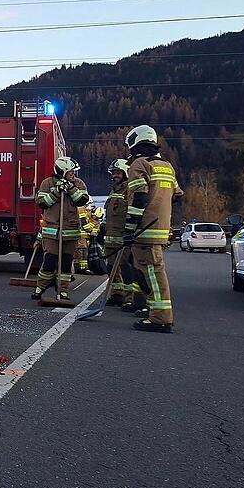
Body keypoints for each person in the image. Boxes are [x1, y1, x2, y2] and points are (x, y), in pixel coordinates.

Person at [123, 125, 183, 333]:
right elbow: (177, 196)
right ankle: (154, 311)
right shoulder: (166, 166)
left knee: (152, 273)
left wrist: (130, 228)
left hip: (145, 230)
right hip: (160, 228)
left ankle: (160, 317)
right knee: (149, 271)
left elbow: (138, 198)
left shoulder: (139, 164)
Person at [32, 156, 90, 304]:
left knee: (65, 262)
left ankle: (63, 290)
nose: (73, 174)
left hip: (70, 231)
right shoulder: (47, 183)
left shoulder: (78, 183)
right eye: (71, 172)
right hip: (51, 231)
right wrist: (57, 191)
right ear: (62, 170)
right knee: (49, 261)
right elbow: (42, 203)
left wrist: (70, 188)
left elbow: (82, 200)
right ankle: (40, 287)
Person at [103, 159, 142, 308]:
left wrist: (130, 231)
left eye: (118, 173)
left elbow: (134, 212)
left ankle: (130, 298)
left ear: (126, 173)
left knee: (126, 268)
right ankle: (116, 294)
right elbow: (110, 213)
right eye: (113, 173)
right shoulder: (114, 190)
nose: (115, 176)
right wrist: (103, 228)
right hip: (111, 236)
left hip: (124, 236)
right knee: (111, 267)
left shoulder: (129, 190)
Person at [75, 205, 98, 275]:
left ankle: (82, 267)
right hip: (80, 235)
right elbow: (83, 223)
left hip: (84, 236)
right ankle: (81, 268)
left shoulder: (86, 210)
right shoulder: (80, 209)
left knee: (82, 252)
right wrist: (91, 231)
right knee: (82, 251)